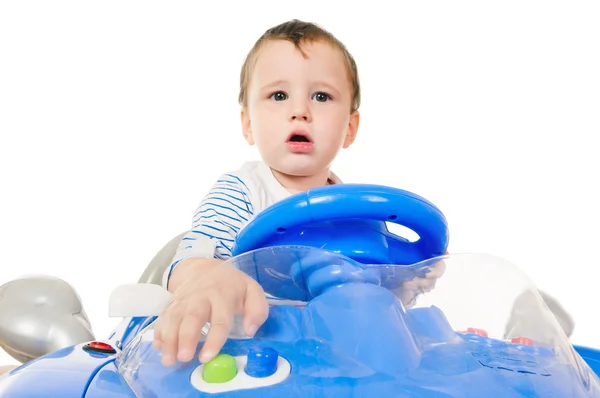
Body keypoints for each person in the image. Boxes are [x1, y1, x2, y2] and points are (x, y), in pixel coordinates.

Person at [152, 19, 445, 367]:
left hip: (340, 356)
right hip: (259, 348)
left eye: (321, 96)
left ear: (349, 129)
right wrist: (211, 274)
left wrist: (407, 283)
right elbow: (187, 263)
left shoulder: (364, 214)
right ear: (248, 124)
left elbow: (370, 297)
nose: (300, 111)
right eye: (278, 95)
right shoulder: (242, 191)